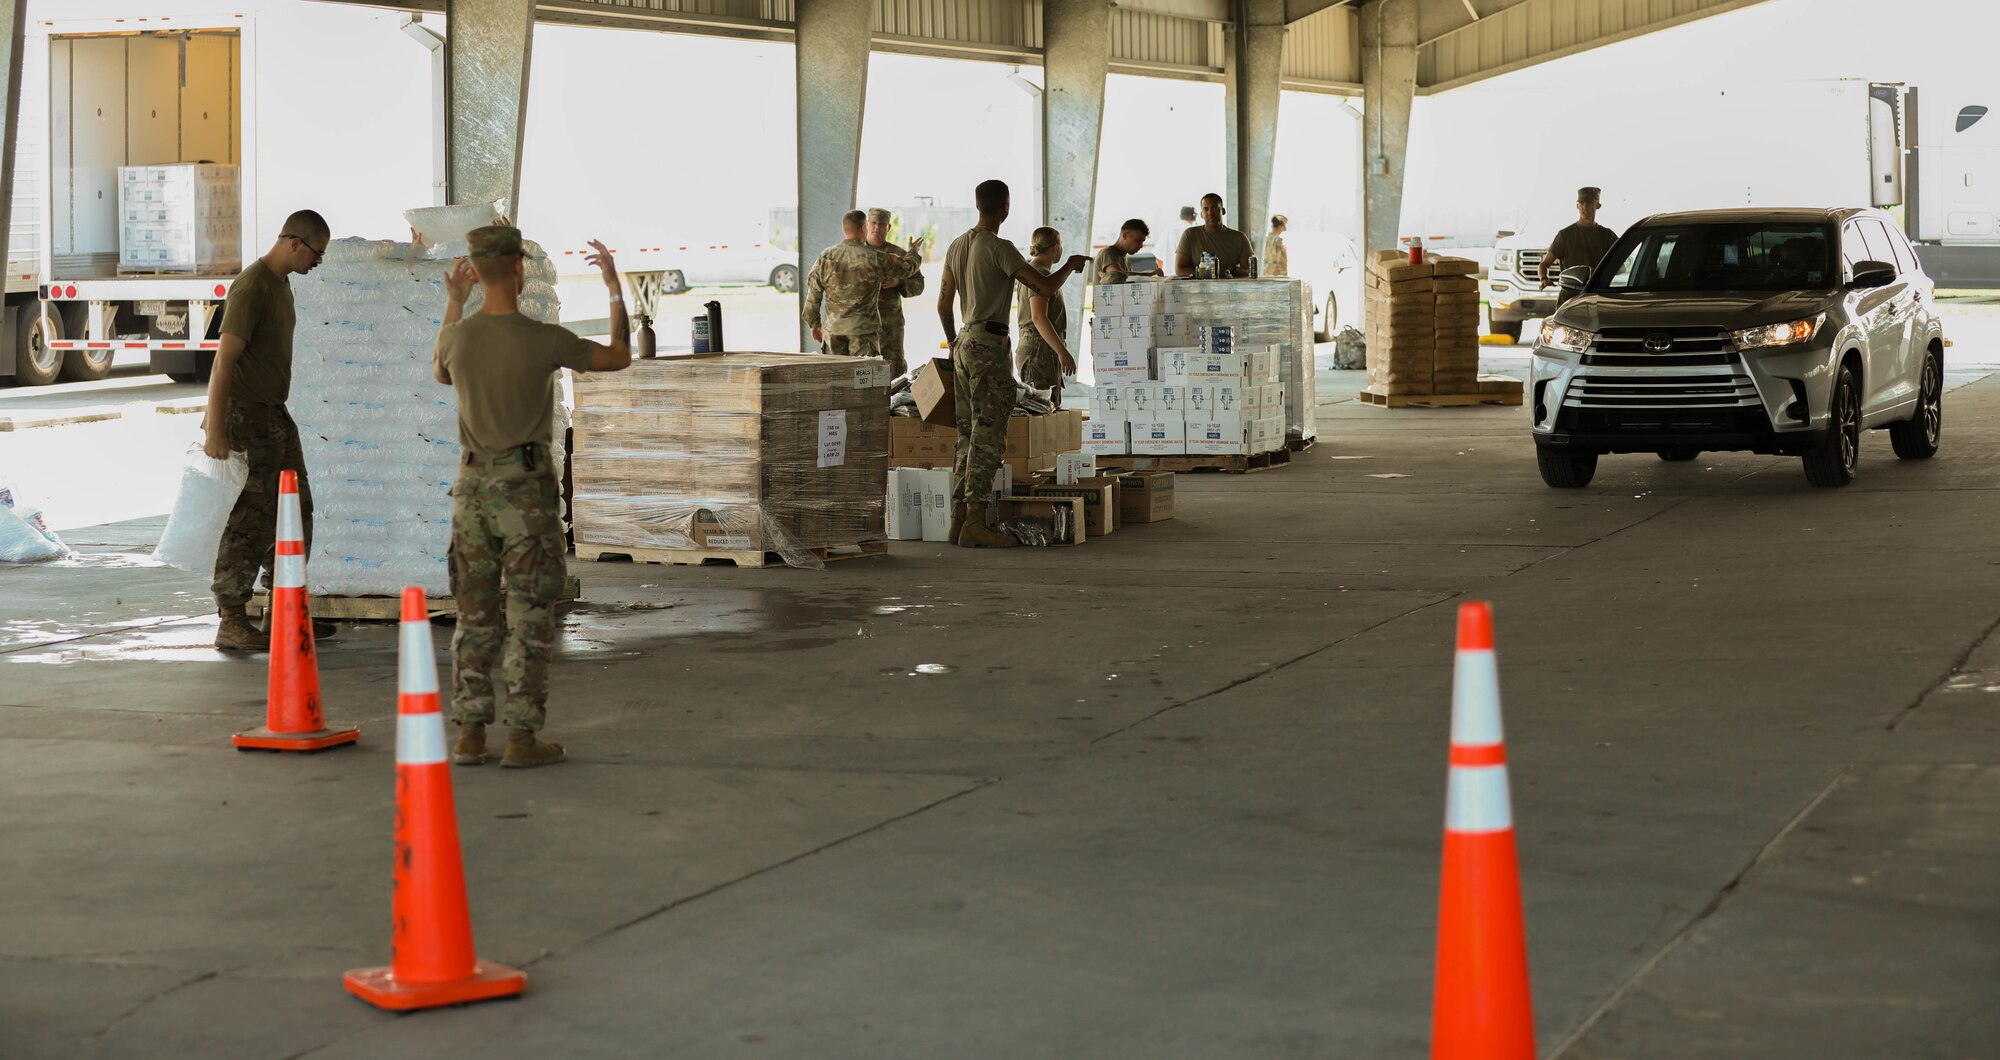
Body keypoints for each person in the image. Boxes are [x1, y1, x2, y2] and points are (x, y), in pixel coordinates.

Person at [431, 226, 633, 769]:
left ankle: (470, 734)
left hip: (471, 489)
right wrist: (614, 285)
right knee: (529, 613)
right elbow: (618, 357)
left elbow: (439, 370)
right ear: (519, 268)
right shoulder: (545, 339)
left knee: (473, 613)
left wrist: (454, 303)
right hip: (525, 492)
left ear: (475, 272)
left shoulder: (457, 339)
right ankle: (521, 738)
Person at [202, 209, 337, 652]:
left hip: (273, 416)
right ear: (295, 242)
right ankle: (232, 618)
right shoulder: (252, 286)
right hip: (245, 418)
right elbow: (224, 361)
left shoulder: (282, 285)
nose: (318, 262)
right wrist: (216, 429)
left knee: (298, 511)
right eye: (316, 252)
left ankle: (285, 611)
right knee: (251, 520)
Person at [937, 180, 1089, 548]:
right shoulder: (1000, 248)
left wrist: (956, 339)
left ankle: (958, 519)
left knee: (966, 434)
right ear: (1005, 207)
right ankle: (974, 522)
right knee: (988, 435)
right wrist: (1069, 265)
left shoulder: (957, 245)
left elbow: (943, 304)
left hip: (963, 343)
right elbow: (1045, 287)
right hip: (988, 345)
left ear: (978, 206)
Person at [804, 210, 890, 359]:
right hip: (863, 334)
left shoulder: (826, 256)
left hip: (833, 332)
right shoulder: (874, 257)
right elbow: (907, 268)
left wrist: (815, 325)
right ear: (864, 228)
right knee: (863, 379)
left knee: (835, 377)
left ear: (844, 229)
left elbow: (813, 295)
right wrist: (914, 252)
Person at [1016, 227, 1076, 407]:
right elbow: (1038, 317)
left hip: (1039, 348)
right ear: (1055, 247)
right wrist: (1062, 351)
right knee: (1040, 410)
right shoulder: (1040, 274)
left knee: (1046, 410)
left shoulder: (1033, 271)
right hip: (1039, 350)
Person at [864, 207, 926, 380]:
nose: (877, 228)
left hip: (890, 326)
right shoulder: (856, 252)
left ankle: (892, 405)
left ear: (888, 227)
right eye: (874, 223)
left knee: (892, 370)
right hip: (862, 326)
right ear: (867, 225)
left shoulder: (898, 254)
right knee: (863, 370)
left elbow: (918, 285)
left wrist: (899, 282)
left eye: (882, 224)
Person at [1540, 186, 1621, 306]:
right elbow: (1544, 264)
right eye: (1581, 203)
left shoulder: (1607, 236)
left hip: (1598, 298)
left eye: (1589, 203)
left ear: (1597, 205)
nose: (1584, 208)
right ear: (1577, 206)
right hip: (1569, 298)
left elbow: (1621, 265)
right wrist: (1544, 279)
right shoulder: (1565, 235)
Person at [1174, 193, 1254, 278]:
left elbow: (1249, 270)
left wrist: (1231, 270)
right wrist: (1210, 272)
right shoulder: (1190, 235)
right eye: (1206, 209)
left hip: (1230, 289)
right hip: (1198, 290)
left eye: (1214, 208)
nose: (1210, 213)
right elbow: (1179, 269)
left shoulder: (1240, 238)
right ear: (1201, 214)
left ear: (1222, 211)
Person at [1092, 219, 1163, 285]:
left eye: (1142, 241)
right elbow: (1117, 276)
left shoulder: (1126, 260)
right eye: (1138, 240)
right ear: (1125, 235)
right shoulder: (1108, 253)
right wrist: (1151, 274)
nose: (1141, 246)